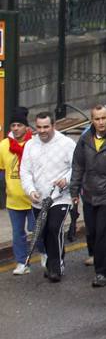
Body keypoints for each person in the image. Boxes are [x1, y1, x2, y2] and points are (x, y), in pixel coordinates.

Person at [68, 104, 106, 287]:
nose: (101, 122)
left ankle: (101, 272)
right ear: (91, 120)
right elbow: (78, 165)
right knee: (93, 232)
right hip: (89, 194)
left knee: (102, 233)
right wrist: (74, 191)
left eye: (104, 118)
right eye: (97, 119)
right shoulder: (85, 139)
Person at [18, 112, 76, 282]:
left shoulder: (66, 144)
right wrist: (30, 190)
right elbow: (25, 171)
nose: (42, 131)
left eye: (46, 127)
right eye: (39, 127)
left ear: (53, 126)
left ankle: (56, 268)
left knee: (54, 228)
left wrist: (66, 179)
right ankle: (52, 262)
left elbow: (77, 167)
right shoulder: (30, 145)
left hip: (60, 197)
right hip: (39, 199)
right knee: (43, 232)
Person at [1, 111, 34, 275]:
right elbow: (1, 170)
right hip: (14, 200)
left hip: (34, 198)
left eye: (19, 125)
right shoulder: (3, 146)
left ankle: (45, 254)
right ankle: (22, 263)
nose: (16, 128)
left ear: (26, 127)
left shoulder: (34, 144)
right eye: (13, 125)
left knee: (38, 231)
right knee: (18, 234)